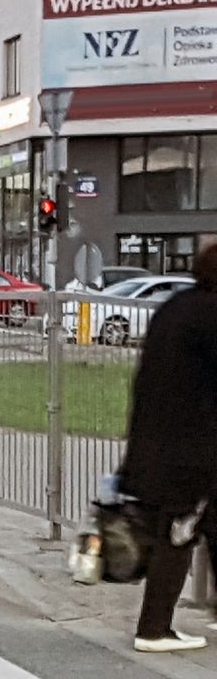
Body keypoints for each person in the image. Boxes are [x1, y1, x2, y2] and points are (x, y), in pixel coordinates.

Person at [118, 243, 217, 652]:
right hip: (193, 454)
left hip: (159, 444)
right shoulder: (211, 316)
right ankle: (153, 629)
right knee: (178, 535)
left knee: (205, 527)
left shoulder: (176, 307)